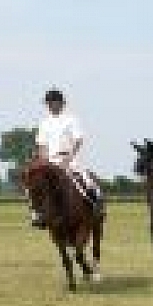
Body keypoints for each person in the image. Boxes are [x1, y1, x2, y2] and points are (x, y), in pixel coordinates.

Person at [30, 88, 103, 227]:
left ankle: (97, 209)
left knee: (89, 183)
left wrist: (69, 158)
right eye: (49, 103)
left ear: (61, 103)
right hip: (50, 161)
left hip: (69, 159)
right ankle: (38, 215)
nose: (51, 105)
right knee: (36, 186)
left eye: (54, 102)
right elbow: (41, 145)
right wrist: (43, 160)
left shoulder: (71, 119)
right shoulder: (44, 123)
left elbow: (78, 140)